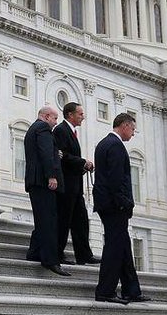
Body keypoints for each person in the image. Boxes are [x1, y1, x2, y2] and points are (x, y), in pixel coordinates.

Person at [93, 112, 149, 305]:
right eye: (132, 129)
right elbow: (117, 180)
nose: (133, 134)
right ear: (124, 126)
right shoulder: (116, 146)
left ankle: (131, 290)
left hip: (106, 203)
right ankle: (105, 291)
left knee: (123, 246)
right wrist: (124, 202)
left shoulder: (103, 144)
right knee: (114, 247)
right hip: (114, 205)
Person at [54, 101, 100, 266]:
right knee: (64, 220)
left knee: (81, 220)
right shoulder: (60, 130)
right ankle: (58, 253)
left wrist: (82, 166)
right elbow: (62, 155)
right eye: (80, 114)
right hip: (66, 185)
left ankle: (84, 255)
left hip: (75, 185)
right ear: (70, 115)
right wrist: (82, 162)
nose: (83, 116)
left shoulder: (71, 132)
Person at [24, 105, 70, 276]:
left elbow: (44, 150)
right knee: (49, 221)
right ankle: (50, 260)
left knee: (42, 219)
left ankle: (34, 252)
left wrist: (55, 151)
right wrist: (51, 175)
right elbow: (44, 152)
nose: (56, 122)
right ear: (46, 116)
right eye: (55, 118)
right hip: (43, 181)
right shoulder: (42, 128)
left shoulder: (34, 128)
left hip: (36, 181)